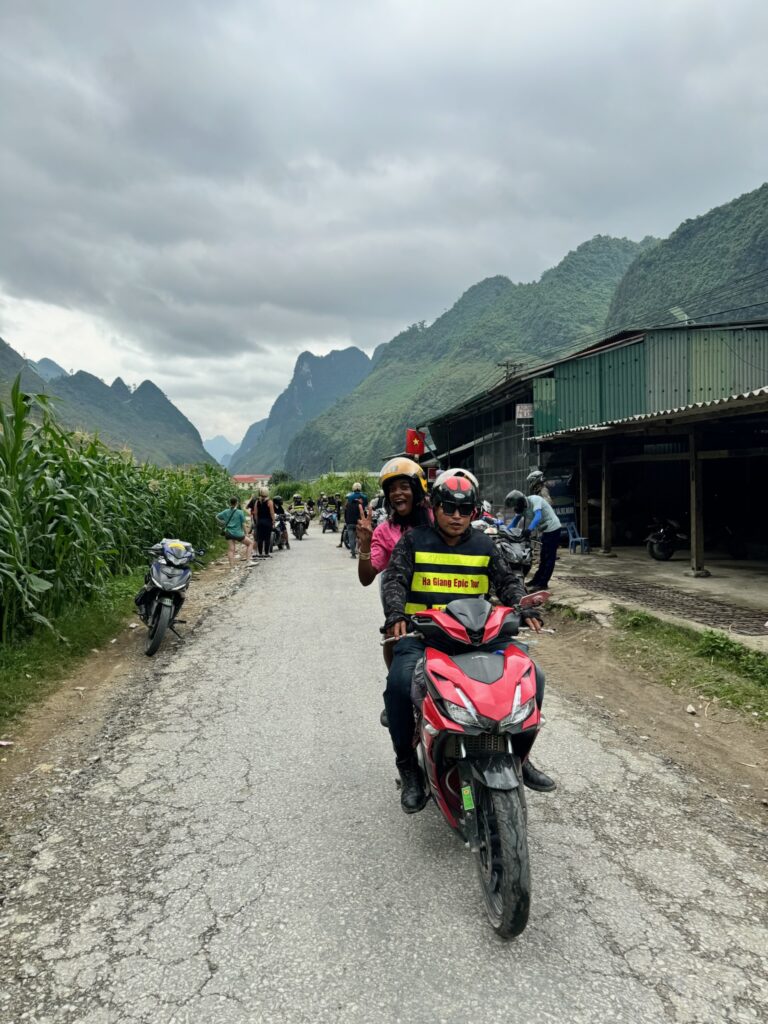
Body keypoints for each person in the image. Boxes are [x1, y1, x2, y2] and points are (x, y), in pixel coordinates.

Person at [382, 472, 556, 812]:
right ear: (434, 507)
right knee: (399, 684)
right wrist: (396, 615)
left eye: (465, 509)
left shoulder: (484, 544)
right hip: (424, 638)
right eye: (449, 508)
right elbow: (395, 582)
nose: (457, 516)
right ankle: (408, 766)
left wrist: (522, 605)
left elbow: (506, 581)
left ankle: (520, 756)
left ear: (474, 512)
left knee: (533, 675)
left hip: (477, 637)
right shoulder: (413, 541)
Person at [356, 458, 430, 588]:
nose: (397, 493)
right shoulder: (384, 531)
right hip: (401, 606)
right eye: (392, 489)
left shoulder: (436, 519)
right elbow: (366, 578)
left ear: (416, 491)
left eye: (404, 487)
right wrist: (365, 545)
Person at [506, 489, 562, 590]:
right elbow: (515, 521)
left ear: (521, 502)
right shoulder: (522, 507)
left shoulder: (535, 500)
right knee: (543, 557)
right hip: (545, 530)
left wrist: (529, 529)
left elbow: (538, 516)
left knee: (549, 558)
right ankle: (536, 580)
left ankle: (543, 583)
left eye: (516, 506)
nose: (516, 508)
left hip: (553, 529)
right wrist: (505, 532)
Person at [216, 497, 254, 569]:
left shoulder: (225, 511)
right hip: (238, 533)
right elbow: (243, 524)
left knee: (231, 549)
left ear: (230, 503)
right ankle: (248, 561)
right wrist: (246, 533)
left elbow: (217, 516)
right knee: (250, 543)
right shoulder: (240, 512)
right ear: (237, 503)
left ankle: (232, 567)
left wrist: (222, 523)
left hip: (228, 533)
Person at [340, 481, 368, 556]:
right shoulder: (364, 497)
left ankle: (352, 553)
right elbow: (365, 508)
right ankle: (362, 551)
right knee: (361, 536)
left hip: (350, 520)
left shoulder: (350, 497)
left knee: (351, 538)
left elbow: (348, 508)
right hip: (360, 520)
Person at [253, 487, 275, 558]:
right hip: (268, 522)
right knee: (267, 538)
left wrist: (257, 521)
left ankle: (260, 553)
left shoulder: (257, 502)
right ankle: (266, 553)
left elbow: (255, 513)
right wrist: (273, 521)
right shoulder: (269, 502)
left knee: (260, 538)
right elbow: (272, 513)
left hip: (260, 522)